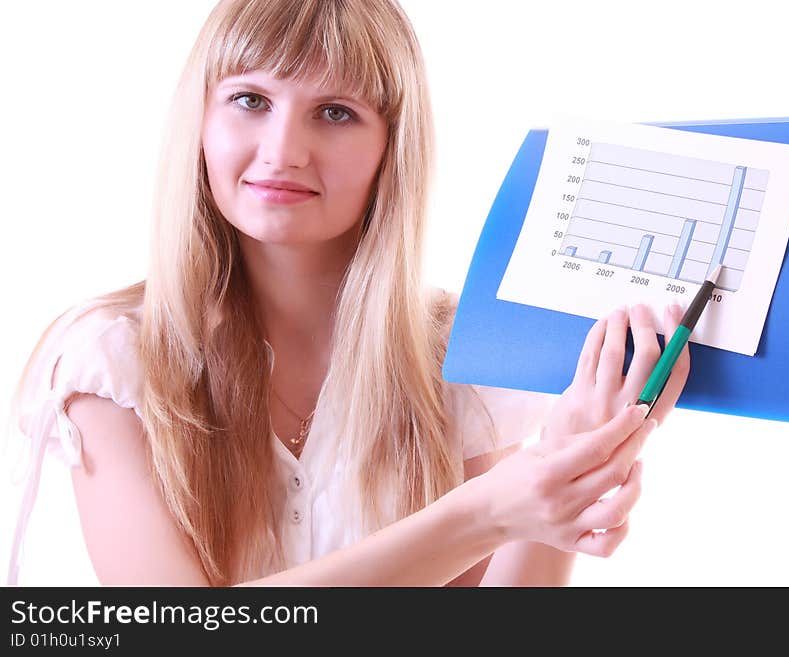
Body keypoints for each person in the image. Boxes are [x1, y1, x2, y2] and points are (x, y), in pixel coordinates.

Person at [5, 0, 689, 587]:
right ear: (201, 122)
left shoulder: (458, 357)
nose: (283, 149)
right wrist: (487, 513)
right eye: (251, 100)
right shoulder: (114, 359)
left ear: (392, 148)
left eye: (334, 112)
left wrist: (570, 465)